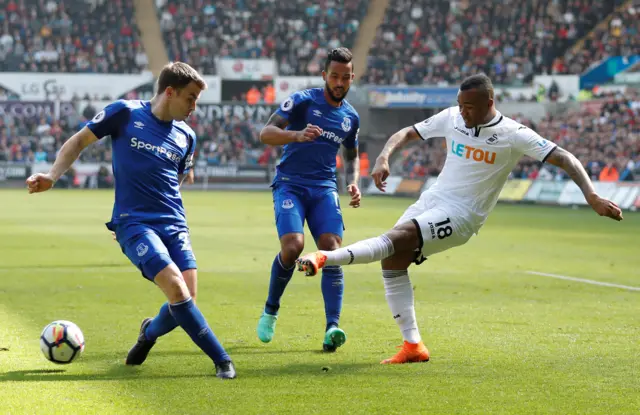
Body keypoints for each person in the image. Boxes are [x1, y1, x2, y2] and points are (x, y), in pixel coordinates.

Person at [295, 73, 623, 364]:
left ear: (489, 102)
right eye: (460, 104)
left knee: (394, 240)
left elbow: (563, 157)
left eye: (469, 106)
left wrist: (590, 194)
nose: (462, 111)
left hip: (463, 216)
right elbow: (407, 133)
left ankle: (325, 257)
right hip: (432, 200)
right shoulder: (452, 117)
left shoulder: (513, 133)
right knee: (393, 261)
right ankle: (413, 345)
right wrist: (383, 156)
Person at [26, 62, 236, 379]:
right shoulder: (125, 113)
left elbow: (177, 178)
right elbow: (78, 141)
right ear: (170, 92)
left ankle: (148, 333)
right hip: (135, 223)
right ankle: (222, 361)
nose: (194, 107)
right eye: (190, 98)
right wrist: (53, 176)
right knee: (177, 290)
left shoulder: (187, 136)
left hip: (174, 224)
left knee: (187, 297)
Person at [256, 47, 362, 352]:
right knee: (293, 247)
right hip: (290, 184)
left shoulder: (350, 117)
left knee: (332, 250)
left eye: (345, 77)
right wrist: (297, 135)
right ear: (324, 75)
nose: (339, 82)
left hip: (324, 188)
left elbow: (351, 155)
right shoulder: (303, 101)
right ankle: (271, 310)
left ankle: (332, 327)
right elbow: (266, 133)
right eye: (334, 76)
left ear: (352, 77)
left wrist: (353, 182)